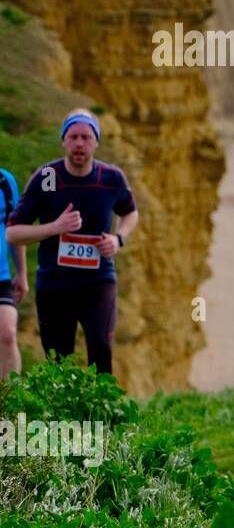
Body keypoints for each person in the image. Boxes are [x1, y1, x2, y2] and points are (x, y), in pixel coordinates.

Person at [4, 109, 138, 376]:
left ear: (96, 142)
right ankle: (62, 418)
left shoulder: (111, 178)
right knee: (58, 359)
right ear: (64, 141)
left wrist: (118, 239)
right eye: (74, 137)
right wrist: (55, 227)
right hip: (55, 283)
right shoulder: (48, 178)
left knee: (101, 348)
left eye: (86, 137)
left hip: (98, 280)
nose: (79, 144)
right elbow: (13, 232)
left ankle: (101, 415)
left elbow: (130, 212)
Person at [0, 166, 27, 380]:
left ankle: (10, 403)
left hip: (2, 275)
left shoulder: (5, 181)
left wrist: (22, 273)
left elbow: (16, 230)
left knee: (7, 334)